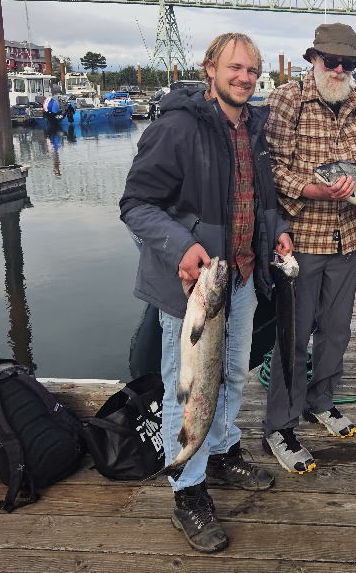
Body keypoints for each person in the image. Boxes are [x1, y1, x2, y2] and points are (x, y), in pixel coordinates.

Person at [120, 32, 292, 554]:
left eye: (253, 71)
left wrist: (277, 228)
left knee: (233, 373)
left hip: (240, 278)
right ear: (210, 68)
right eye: (236, 68)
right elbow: (136, 204)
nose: (245, 78)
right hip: (192, 286)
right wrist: (183, 247)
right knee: (188, 386)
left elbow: (259, 199)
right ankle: (186, 490)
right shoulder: (176, 127)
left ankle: (218, 448)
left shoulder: (254, 127)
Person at [262, 23, 356, 473]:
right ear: (313, 60)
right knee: (294, 336)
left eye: (347, 63)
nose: (339, 69)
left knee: (337, 331)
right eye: (330, 60)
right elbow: (273, 168)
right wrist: (312, 190)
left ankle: (321, 401)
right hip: (300, 241)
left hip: (348, 240)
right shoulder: (286, 99)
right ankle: (279, 426)